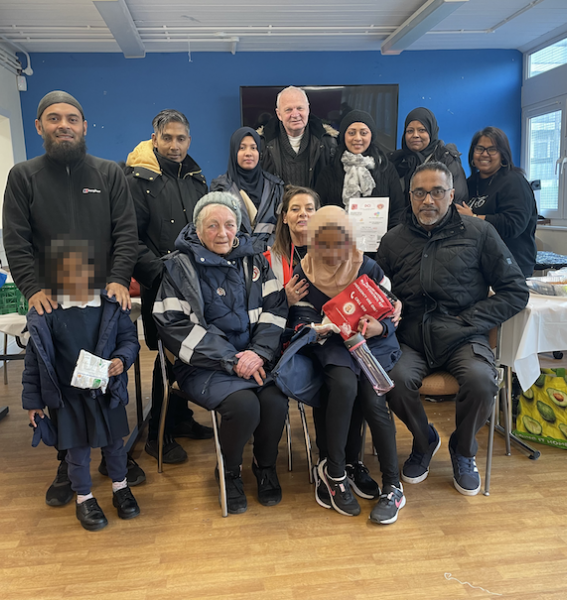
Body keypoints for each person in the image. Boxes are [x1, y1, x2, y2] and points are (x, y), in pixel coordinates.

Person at [3, 90, 144, 508]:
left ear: (84, 126)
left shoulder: (109, 174)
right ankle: (68, 461)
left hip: (102, 301)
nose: (62, 124)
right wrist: (31, 288)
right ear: (39, 127)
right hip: (52, 303)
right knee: (61, 381)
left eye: (71, 118)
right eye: (53, 118)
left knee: (104, 378)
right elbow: (17, 240)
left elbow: (126, 232)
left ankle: (113, 459)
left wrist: (120, 278)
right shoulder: (23, 176)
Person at [377, 162, 529, 496]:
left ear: (451, 195)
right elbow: (378, 292)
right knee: (392, 381)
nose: (427, 200)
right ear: (410, 196)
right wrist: (386, 307)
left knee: (481, 380)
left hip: (464, 334)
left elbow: (515, 291)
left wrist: (470, 322)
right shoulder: (392, 240)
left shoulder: (480, 233)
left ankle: (463, 449)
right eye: (420, 192)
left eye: (436, 192)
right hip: (412, 338)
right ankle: (423, 440)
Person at [153, 192, 290, 515]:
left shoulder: (255, 260)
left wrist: (258, 352)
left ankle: (264, 465)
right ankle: (229, 471)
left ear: (239, 226)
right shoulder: (178, 267)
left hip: (254, 359)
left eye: (230, 224)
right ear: (197, 230)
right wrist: (230, 359)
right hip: (202, 365)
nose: (223, 233)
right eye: (212, 226)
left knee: (274, 400)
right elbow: (174, 327)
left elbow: (275, 310)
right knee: (244, 406)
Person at [289, 206, 405, 525]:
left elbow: (390, 316)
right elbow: (299, 321)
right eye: (321, 244)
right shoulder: (304, 273)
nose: (330, 252)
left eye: (338, 243)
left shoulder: (368, 267)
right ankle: (335, 472)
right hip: (332, 346)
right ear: (311, 243)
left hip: (372, 345)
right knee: (343, 384)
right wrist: (320, 326)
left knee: (372, 398)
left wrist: (378, 326)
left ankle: (393, 485)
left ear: (351, 241)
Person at [22, 240, 142, 531]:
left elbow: (129, 341)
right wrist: (33, 402)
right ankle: (84, 497)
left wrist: (121, 360)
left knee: (115, 446)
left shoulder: (111, 307)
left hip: (106, 392)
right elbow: (33, 362)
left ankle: (120, 486)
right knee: (77, 452)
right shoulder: (45, 314)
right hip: (67, 398)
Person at [125, 109, 214, 466]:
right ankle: (158, 435)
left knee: (189, 351)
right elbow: (129, 239)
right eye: (167, 138)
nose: (174, 145)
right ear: (155, 140)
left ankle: (181, 418)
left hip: (196, 280)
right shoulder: (137, 180)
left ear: (189, 141)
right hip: (161, 281)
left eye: (181, 139)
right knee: (166, 358)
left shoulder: (197, 178)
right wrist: (160, 273)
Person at [460, 126, 537, 278]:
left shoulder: (515, 182)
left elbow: (514, 225)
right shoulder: (468, 184)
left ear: (503, 154)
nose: (484, 154)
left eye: (492, 149)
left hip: (511, 265)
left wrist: (474, 218)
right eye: (480, 148)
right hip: (479, 265)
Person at [315, 110, 405, 230]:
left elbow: (398, 209)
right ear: (344, 136)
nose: (357, 138)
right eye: (351, 133)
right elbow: (319, 210)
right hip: (338, 244)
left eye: (363, 133)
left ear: (371, 135)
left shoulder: (386, 168)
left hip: (381, 245)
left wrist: (388, 239)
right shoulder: (329, 171)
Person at [211, 127, 284, 247]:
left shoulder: (275, 186)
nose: (248, 153)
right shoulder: (220, 187)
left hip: (269, 256)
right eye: (242, 148)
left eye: (253, 148)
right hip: (234, 256)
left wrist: (265, 249)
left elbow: (281, 227)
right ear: (234, 151)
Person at [258, 86, 337, 188]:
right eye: (288, 110)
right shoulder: (261, 144)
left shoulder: (328, 142)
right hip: (278, 204)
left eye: (300, 108)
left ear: (308, 109)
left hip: (316, 204)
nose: (295, 114)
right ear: (279, 114)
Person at [390, 107, 469, 205]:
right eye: (410, 131)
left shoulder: (446, 159)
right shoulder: (397, 160)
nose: (415, 135)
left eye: (422, 130)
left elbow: (458, 201)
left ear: (432, 132)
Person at [264, 185, 319, 305]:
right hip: (285, 323)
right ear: (284, 217)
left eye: (309, 209)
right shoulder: (267, 261)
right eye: (295, 209)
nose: (303, 213)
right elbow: (258, 308)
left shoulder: (333, 256)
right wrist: (285, 301)